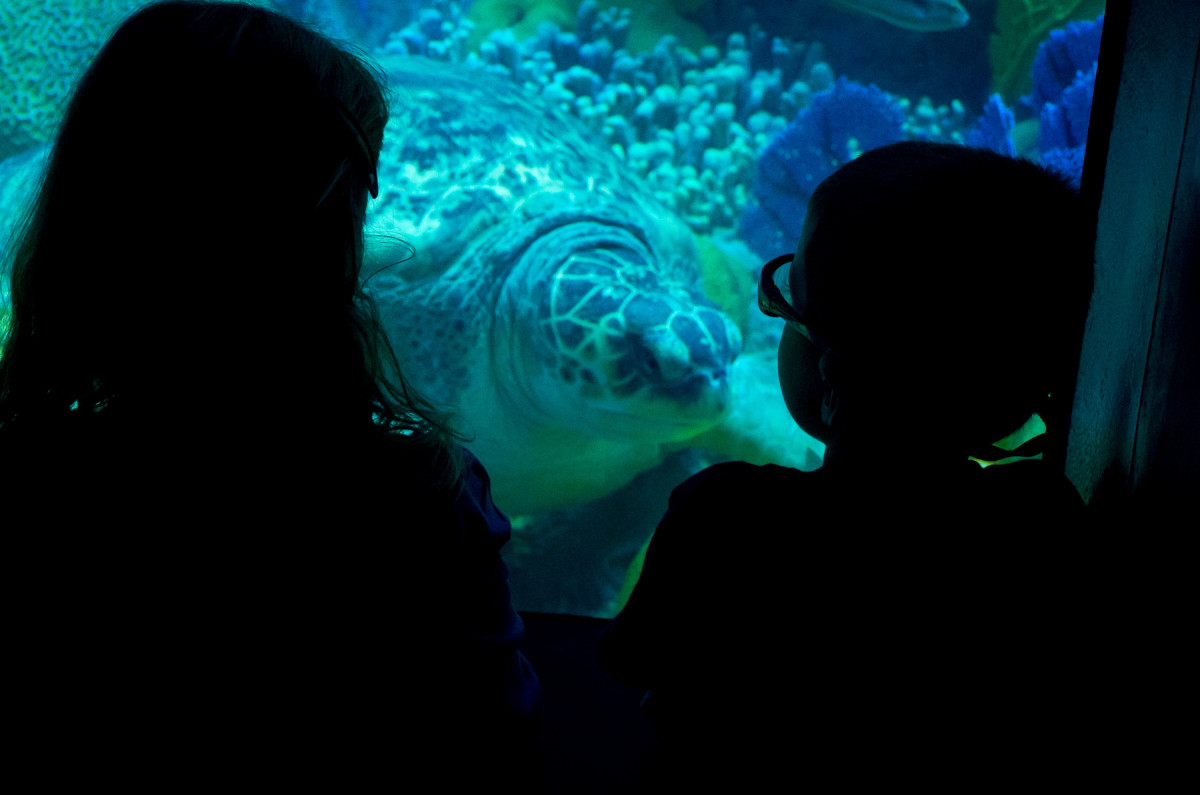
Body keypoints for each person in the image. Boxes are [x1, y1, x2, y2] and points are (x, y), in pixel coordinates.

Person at [0, 1, 537, 782]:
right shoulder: (416, 506)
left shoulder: (28, 482)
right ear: (326, 250)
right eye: (361, 190)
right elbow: (497, 743)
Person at [599, 141, 1100, 786]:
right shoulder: (1041, 522)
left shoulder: (724, 515)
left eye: (786, 302)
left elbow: (628, 658)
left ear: (831, 375)